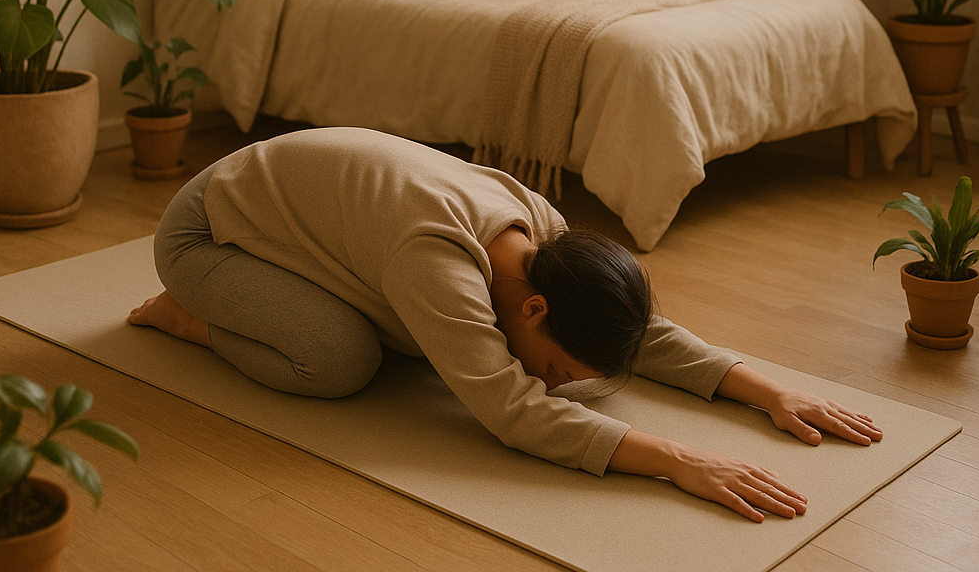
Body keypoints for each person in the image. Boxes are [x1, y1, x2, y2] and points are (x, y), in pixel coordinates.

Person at [128, 126, 882, 523]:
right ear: (533, 307)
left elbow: (639, 330)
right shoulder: (438, 259)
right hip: (209, 233)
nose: (544, 378)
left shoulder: (543, 236)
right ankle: (192, 320)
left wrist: (768, 391)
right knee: (340, 361)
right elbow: (509, 413)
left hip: (315, 230)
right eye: (552, 360)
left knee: (581, 390)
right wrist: (681, 460)